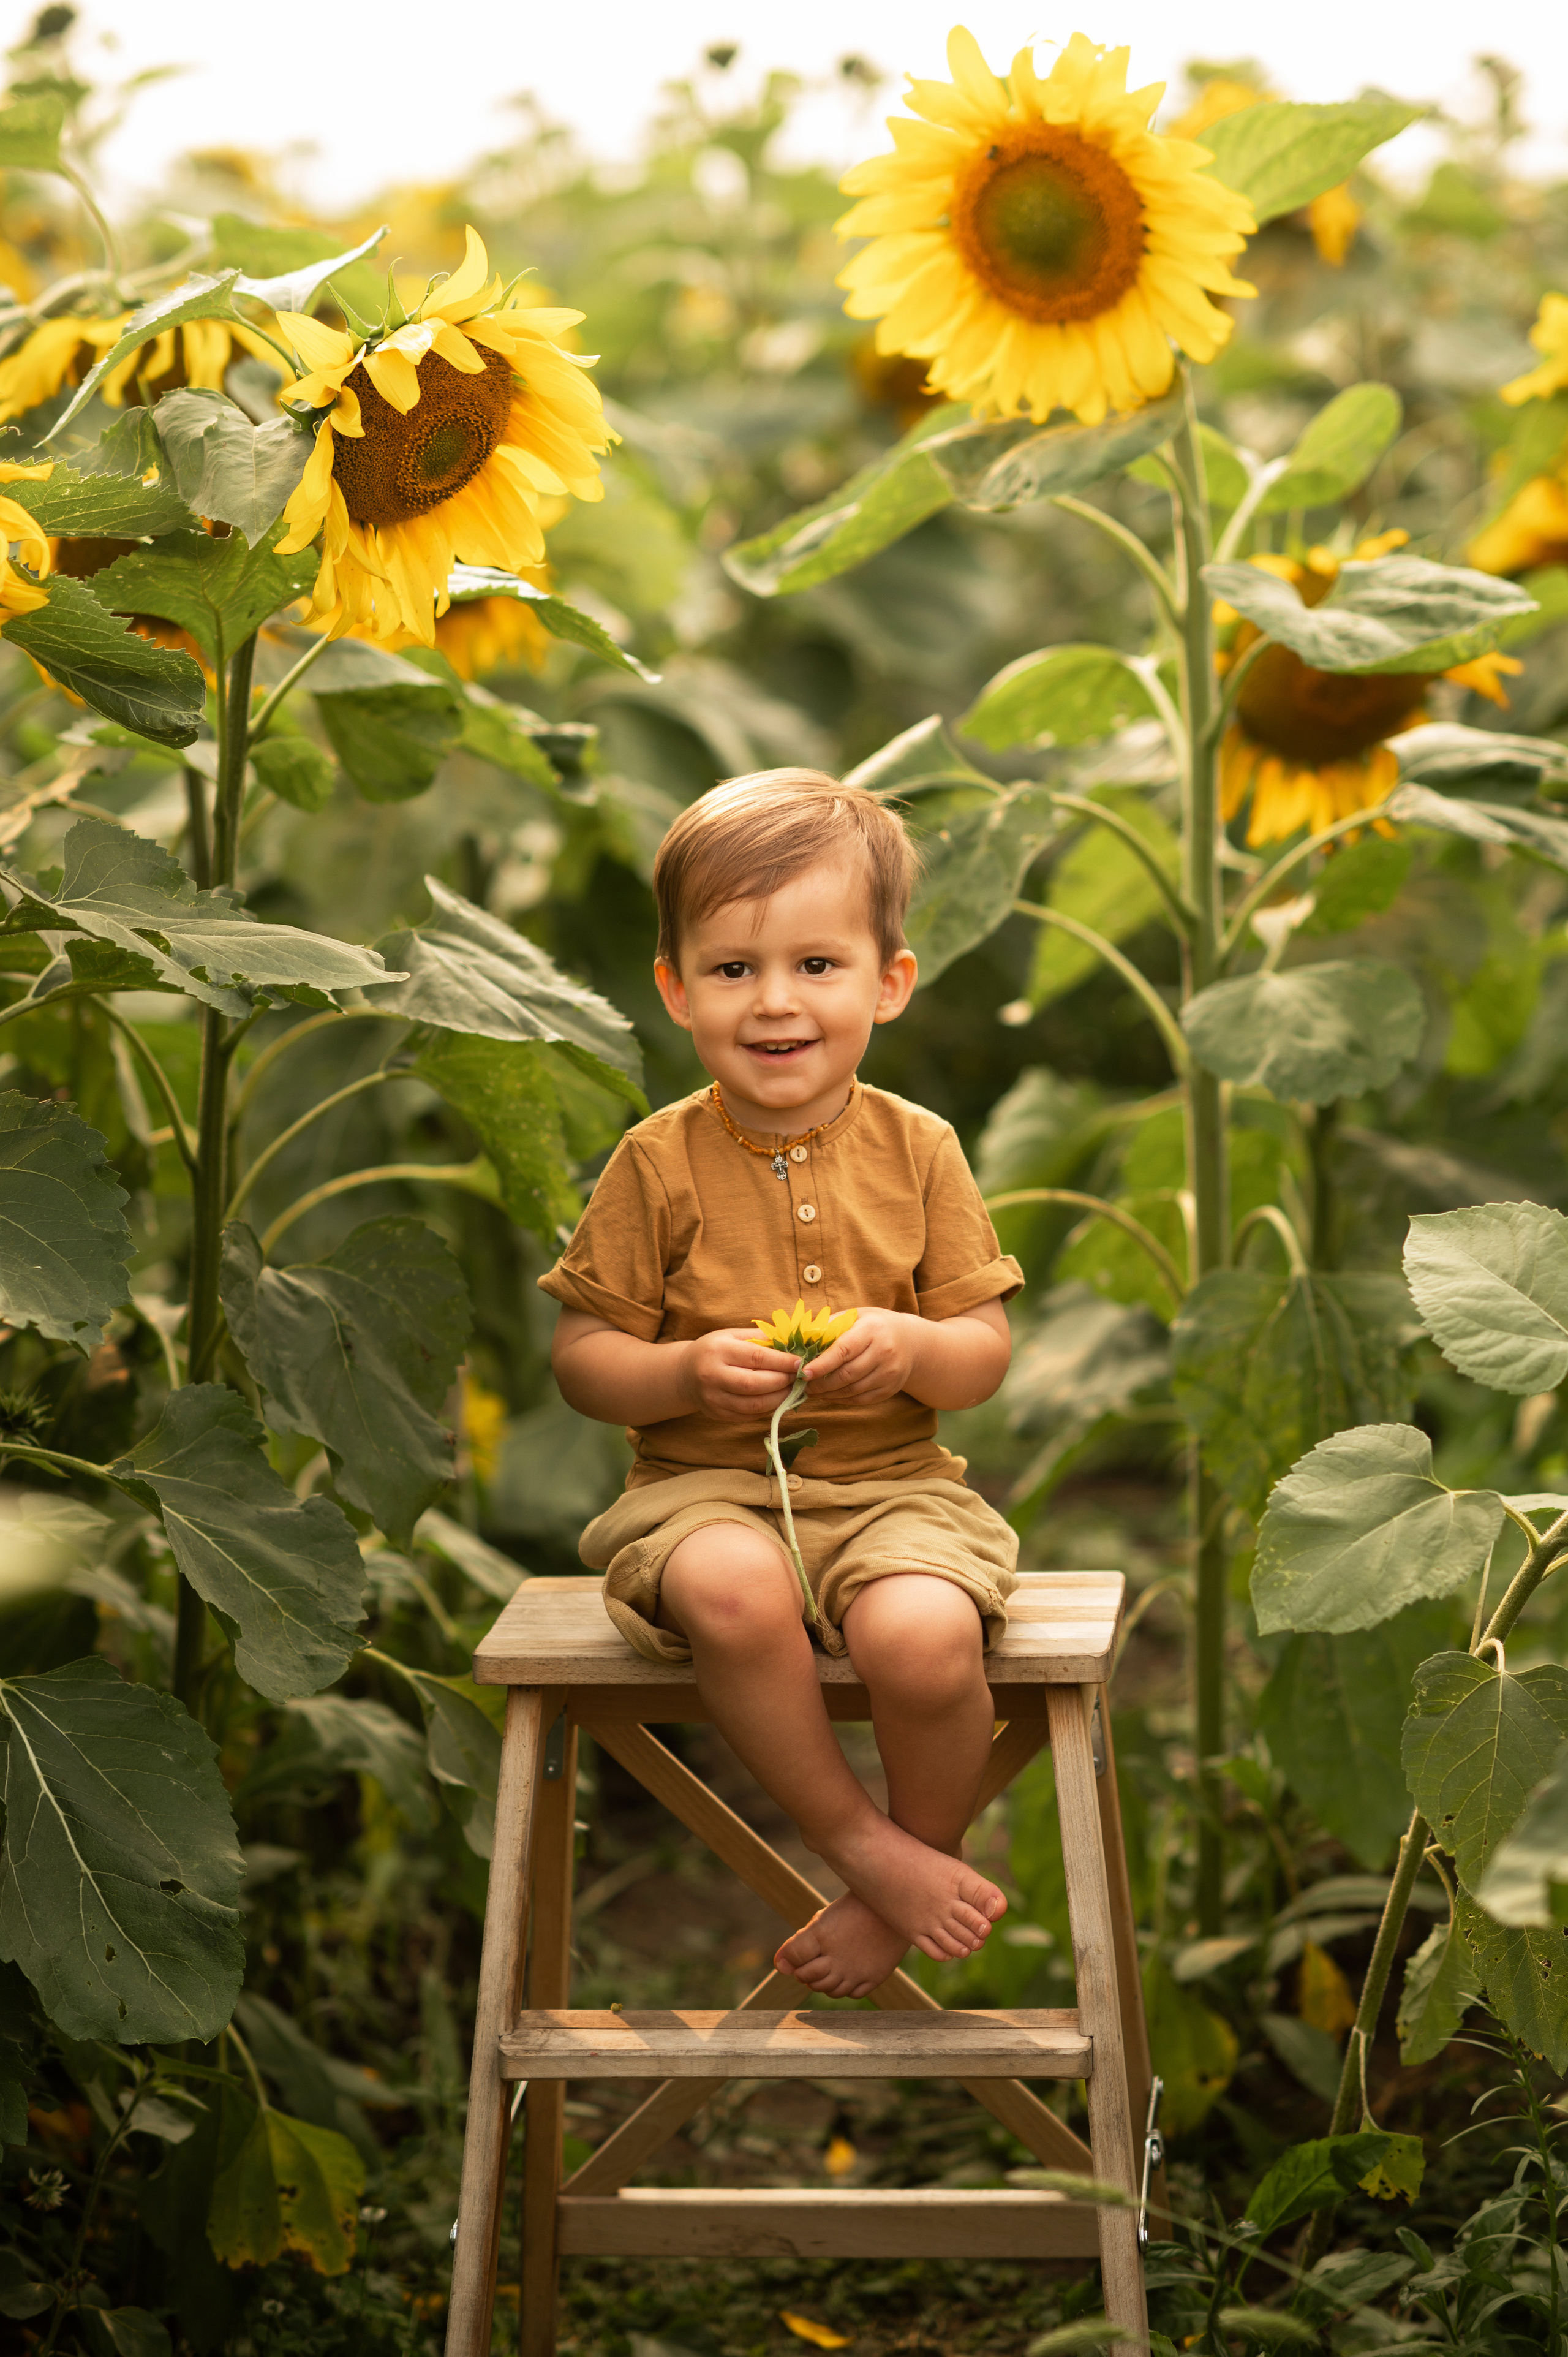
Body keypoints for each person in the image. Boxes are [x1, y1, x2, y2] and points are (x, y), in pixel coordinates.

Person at [541, 768, 1025, 2000]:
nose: (775, 1002)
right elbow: (583, 1361)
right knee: (729, 1587)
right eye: (732, 968)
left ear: (888, 982)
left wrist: (909, 1347)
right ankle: (856, 1844)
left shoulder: (921, 1150)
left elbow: (979, 1352)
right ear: (674, 989)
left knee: (924, 1640)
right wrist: (680, 1372)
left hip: (893, 1490)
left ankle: (912, 1870)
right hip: (704, 1489)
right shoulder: (655, 1161)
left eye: (817, 965)